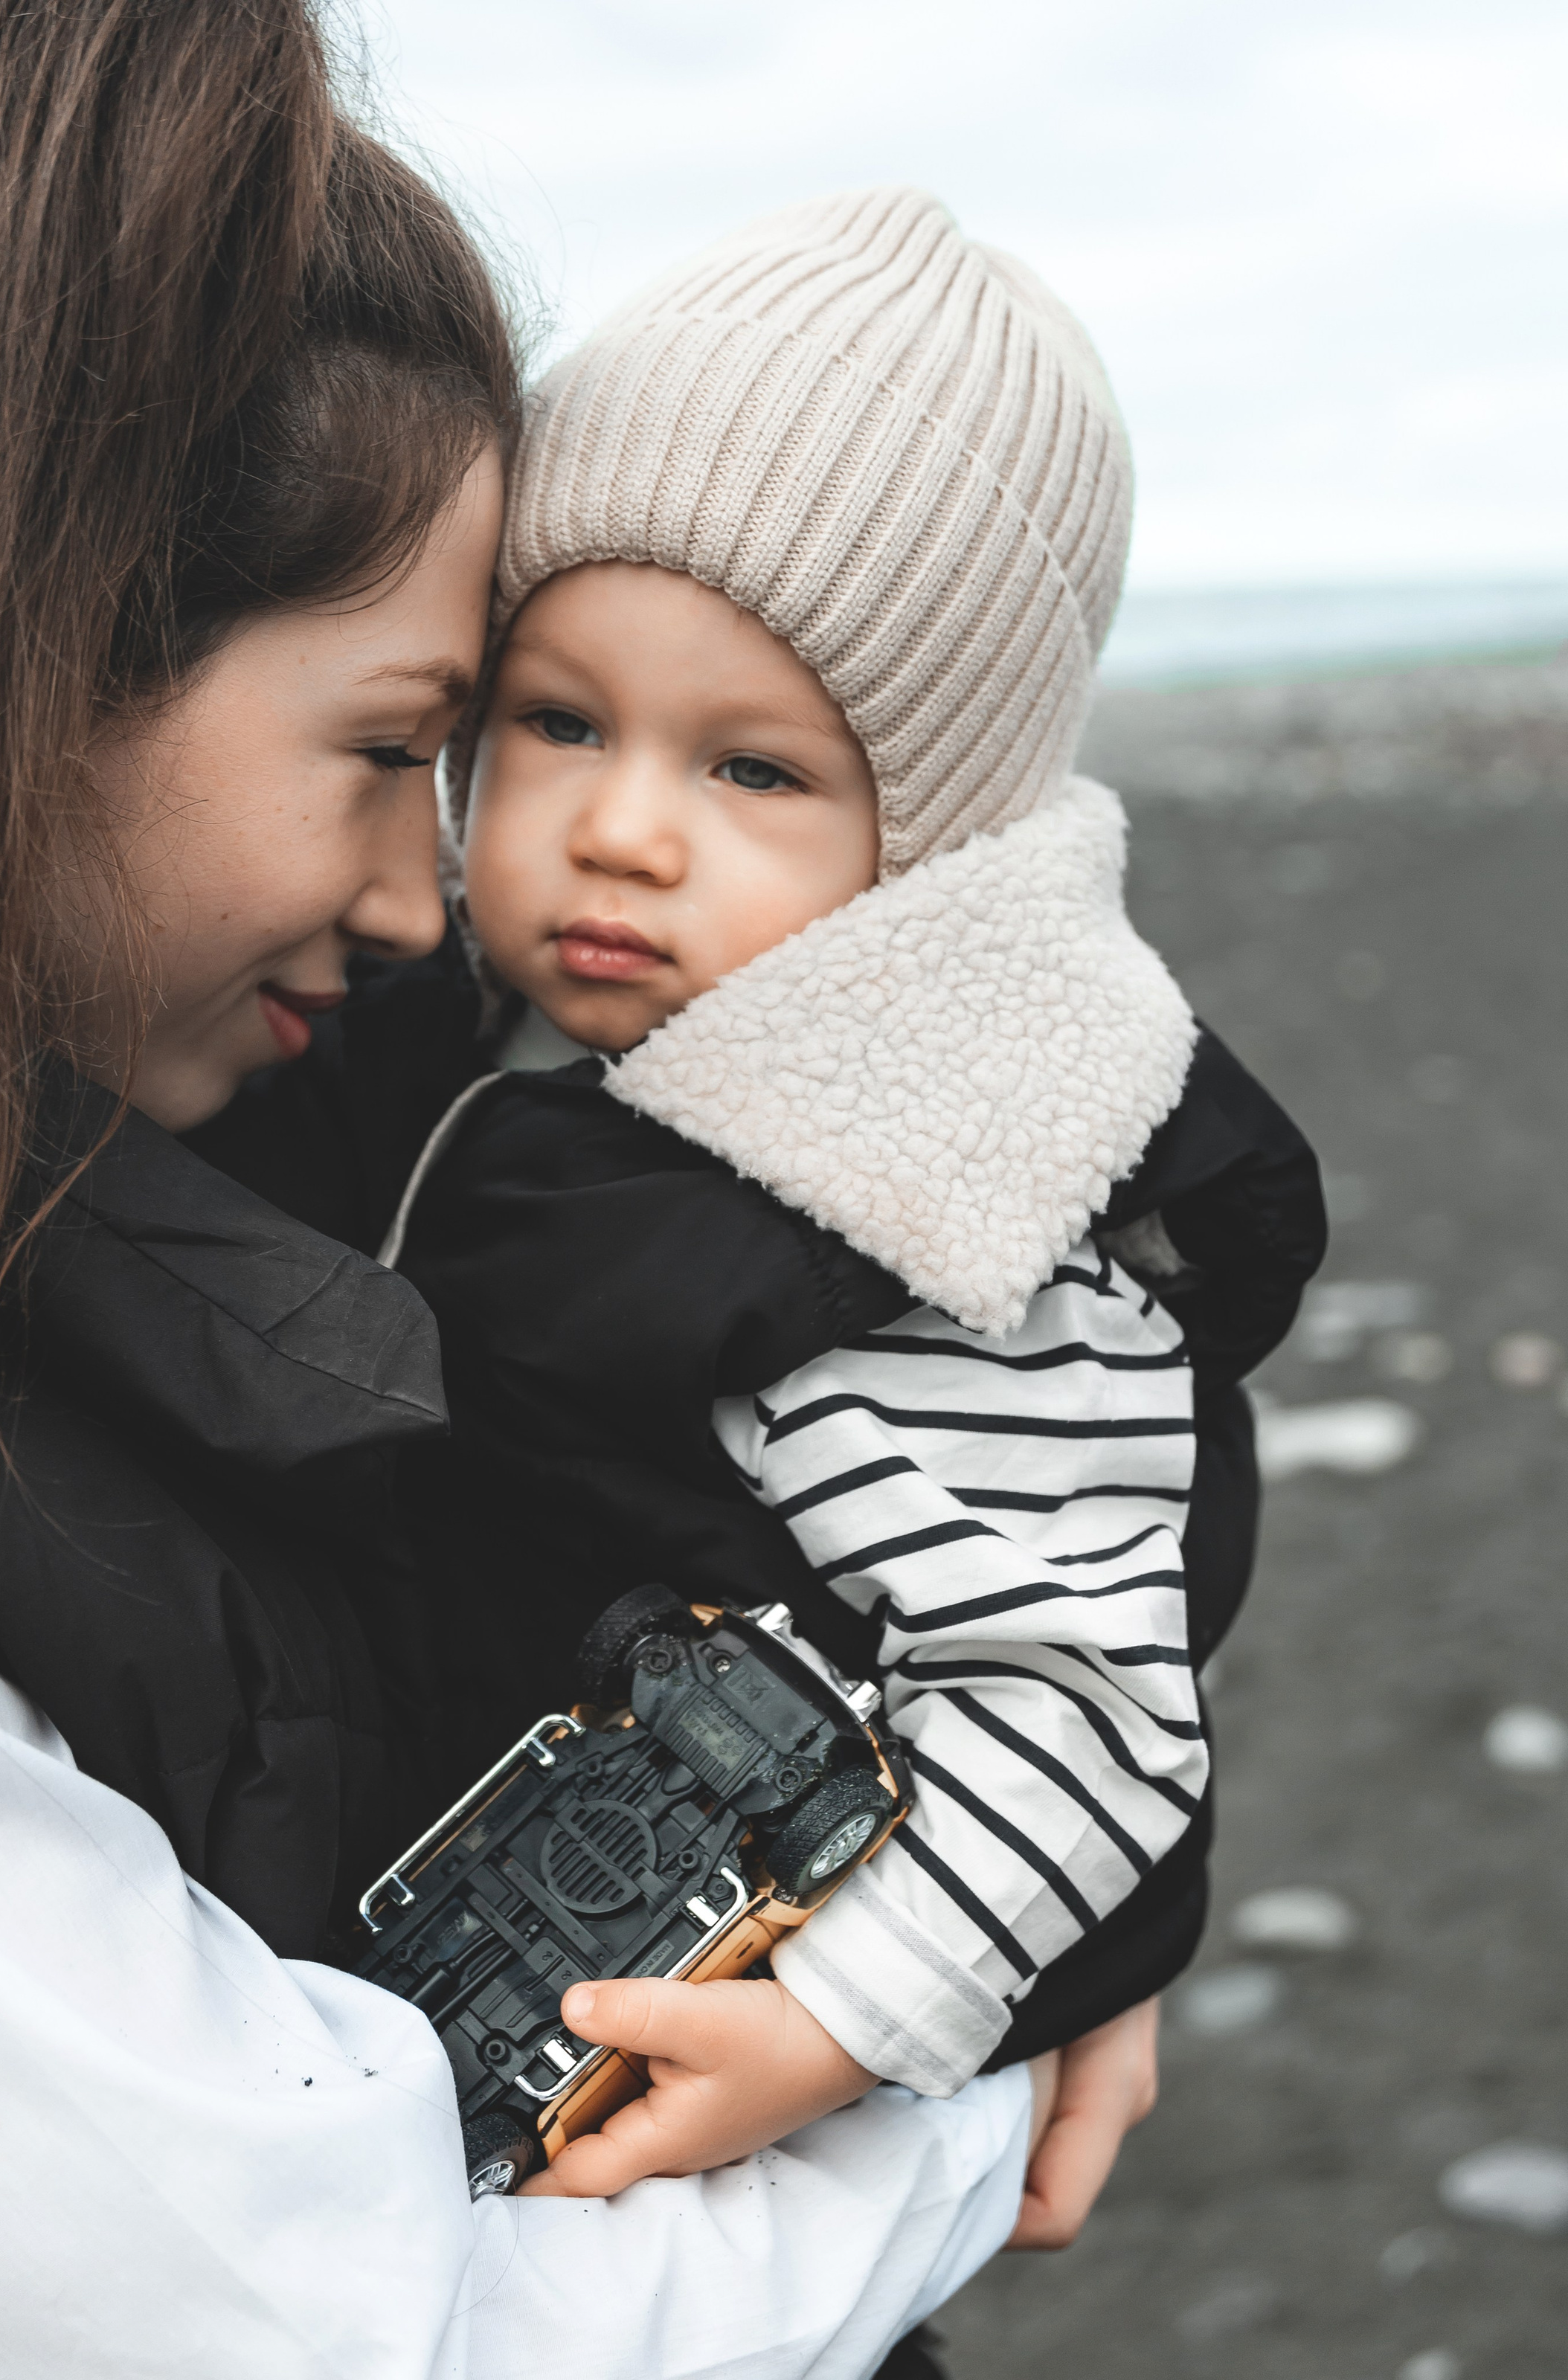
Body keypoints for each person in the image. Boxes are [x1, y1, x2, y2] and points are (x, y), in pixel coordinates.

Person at [0, 13, 1137, 2378]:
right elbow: (339, 2332)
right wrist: (988, 2048)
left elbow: (1064, 1365)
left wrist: (1063, 1861)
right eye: (392, 749)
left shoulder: (239, 1097)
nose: (416, 887)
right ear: (16, 650)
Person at [369, 191, 1328, 2200]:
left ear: (940, 833)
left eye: (757, 772)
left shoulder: (910, 1211)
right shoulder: (550, 1063)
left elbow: (1086, 1695)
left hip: (705, 2054)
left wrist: (840, 2030)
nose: (620, 830)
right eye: (558, 722)